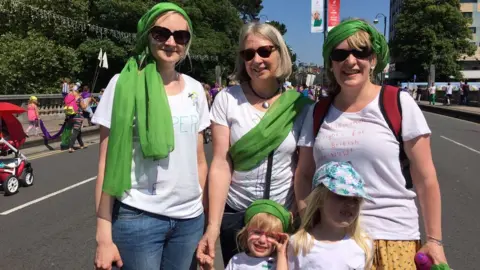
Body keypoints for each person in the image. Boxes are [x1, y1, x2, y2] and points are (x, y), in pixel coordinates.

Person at [295, 19, 448, 269]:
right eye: (340, 54)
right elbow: (304, 175)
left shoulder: (397, 103)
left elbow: (425, 178)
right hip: (332, 240)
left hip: (391, 238)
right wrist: (308, 224)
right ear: (331, 63)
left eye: (361, 52)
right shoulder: (317, 112)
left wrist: (434, 241)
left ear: (373, 60)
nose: (351, 61)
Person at [92, 3, 209, 270]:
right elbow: (105, 165)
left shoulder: (195, 90)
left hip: (189, 221)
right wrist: (103, 236)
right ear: (147, 35)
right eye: (161, 33)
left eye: (181, 36)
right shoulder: (121, 84)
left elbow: (199, 159)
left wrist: (199, 209)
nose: (171, 42)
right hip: (138, 217)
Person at [196, 22, 312, 268]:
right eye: (248, 54)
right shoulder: (227, 99)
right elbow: (220, 163)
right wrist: (213, 226)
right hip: (238, 217)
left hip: (283, 216)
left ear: (280, 53)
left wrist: (303, 219)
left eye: (264, 51)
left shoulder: (299, 107)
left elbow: (304, 171)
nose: (256, 59)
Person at [289, 161, 373, 269]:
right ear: (319, 198)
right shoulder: (299, 243)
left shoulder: (363, 244)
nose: (350, 204)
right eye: (341, 196)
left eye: (356, 199)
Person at [206, 200, 290, 270]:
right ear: (246, 233)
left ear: (279, 239)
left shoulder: (279, 262)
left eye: (271, 236)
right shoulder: (237, 260)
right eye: (257, 232)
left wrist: (281, 252)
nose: (262, 240)